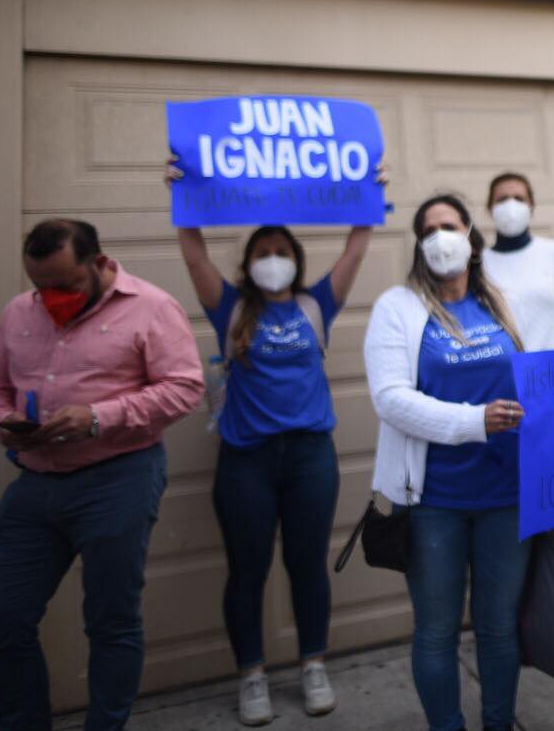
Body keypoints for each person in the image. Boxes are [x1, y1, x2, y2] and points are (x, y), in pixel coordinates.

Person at [0, 219, 204, 731]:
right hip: (35, 485)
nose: (50, 298)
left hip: (118, 479)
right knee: (0, 625)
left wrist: (98, 416)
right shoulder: (18, 313)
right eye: (40, 287)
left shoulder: (152, 307)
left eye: (65, 285)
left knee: (111, 623)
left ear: (99, 263)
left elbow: (185, 388)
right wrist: (4, 425)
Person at [172, 206, 374, 723]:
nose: (273, 261)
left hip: (310, 458)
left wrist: (368, 201)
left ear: (297, 261)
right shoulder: (231, 308)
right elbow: (193, 252)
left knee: (307, 567)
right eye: (263, 254)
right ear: (247, 264)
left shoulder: (315, 305)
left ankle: (313, 665)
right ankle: (252, 675)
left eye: (282, 253)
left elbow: (355, 247)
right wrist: (185, 201)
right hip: (246, 463)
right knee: (247, 572)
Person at [363, 194, 529, 731]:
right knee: (436, 631)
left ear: (472, 238)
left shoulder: (502, 302)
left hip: (508, 494)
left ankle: (499, 723)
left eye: (450, 225)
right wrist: (473, 421)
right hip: (434, 500)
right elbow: (389, 398)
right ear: (418, 245)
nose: (439, 236)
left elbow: (541, 379)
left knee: (499, 627)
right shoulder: (397, 307)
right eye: (428, 229)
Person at [481, 171, 554, 350]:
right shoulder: (478, 263)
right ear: (490, 208)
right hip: (500, 371)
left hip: (548, 371)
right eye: (502, 199)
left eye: (519, 198)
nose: (511, 205)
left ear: (531, 207)